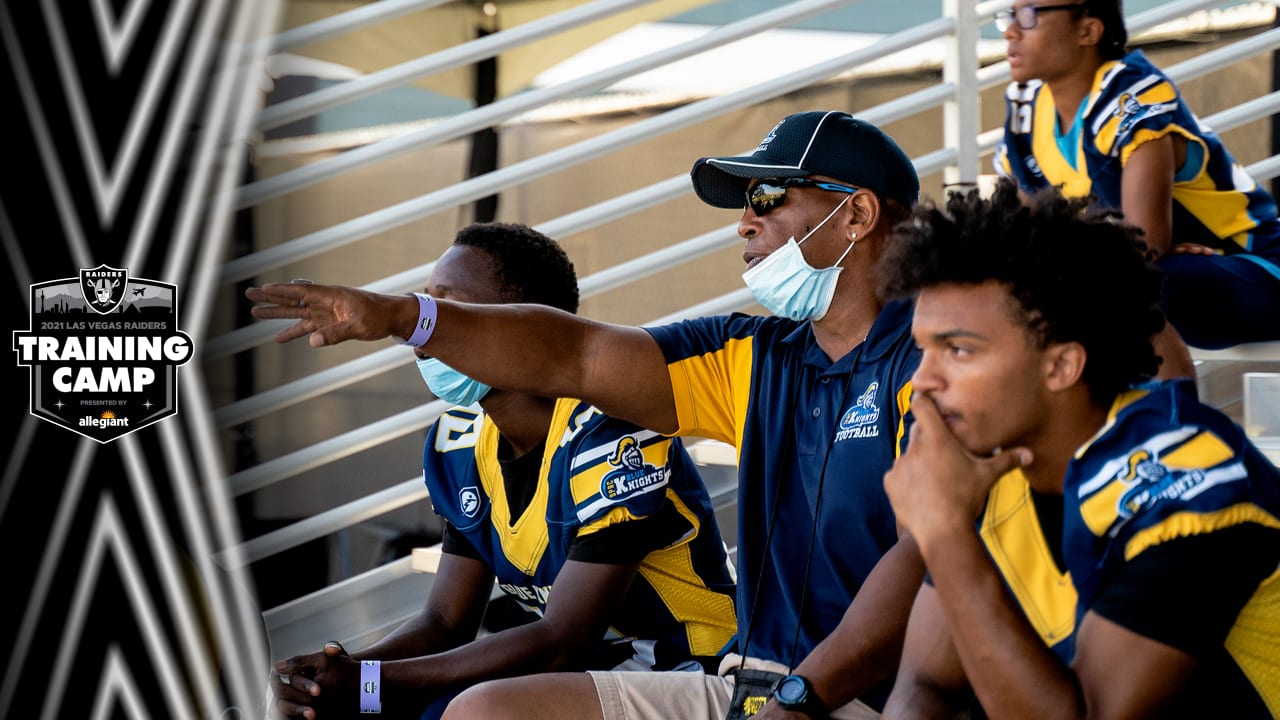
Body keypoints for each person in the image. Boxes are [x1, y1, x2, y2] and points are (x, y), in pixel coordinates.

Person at [248, 110, 925, 719]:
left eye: (769, 197)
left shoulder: (933, 358)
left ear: (858, 216)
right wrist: (404, 318)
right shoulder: (756, 355)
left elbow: (928, 560)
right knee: (475, 714)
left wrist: (802, 700)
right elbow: (580, 354)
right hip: (752, 689)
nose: (745, 222)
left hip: (863, 696)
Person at [269, 222, 738, 720]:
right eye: (427, 305)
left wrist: (368, 685)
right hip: (590, 674)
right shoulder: (461, 440)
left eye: (448, 308)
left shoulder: (616, 431)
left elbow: (562, 639)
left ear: (518, 323)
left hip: (690, 670)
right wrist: (329, 679)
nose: (424, 334)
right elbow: (446, 621)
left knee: (464, 711)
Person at [877, 179, 1280, 718]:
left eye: (958, 350)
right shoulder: (999, 471)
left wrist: (945, 534)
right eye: (924, 349)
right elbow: (925, 685)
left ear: (1062, 366)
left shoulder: (1186, 480)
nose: (923, 381)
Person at [992, 0, 1280, 376]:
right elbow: (1029, 241)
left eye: (1029, 15)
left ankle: (1179, 430)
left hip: (1259, 268)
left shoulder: (1133, 94)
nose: (1011, 30)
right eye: (1009, 15)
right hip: (1181, 274)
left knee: (1134, 284)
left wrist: (1129, 248)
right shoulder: (1026, 106)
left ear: (1088, 30)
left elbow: (1143, 243)